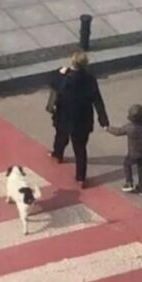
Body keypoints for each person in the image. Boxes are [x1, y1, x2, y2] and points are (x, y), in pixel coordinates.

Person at [48, 49, 109, 187]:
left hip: (64, 116)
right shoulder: (90, 79)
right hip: (83, 119)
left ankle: (58, 154)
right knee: (80, 149)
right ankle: (80, 177)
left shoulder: (65, 78)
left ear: (73, 62)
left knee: (61, 136)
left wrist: (59, 72)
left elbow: (52, 82)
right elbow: (97, 100)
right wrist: (103, 119)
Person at [105, 104, 142, 194]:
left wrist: (108, 128)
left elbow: (118, 132)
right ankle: (141, 189)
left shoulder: (129, 127)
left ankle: (129, 182)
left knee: (127, 164)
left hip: (133, 154)